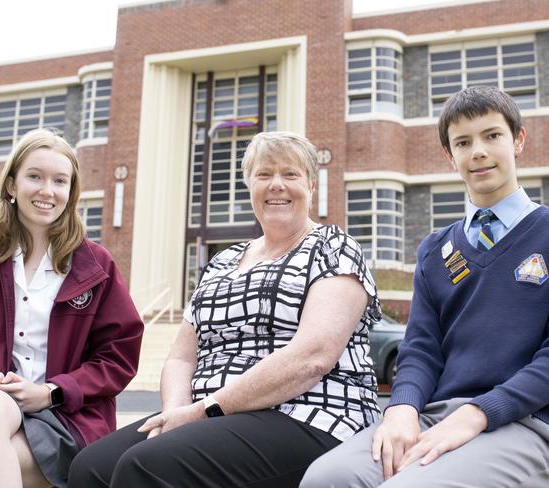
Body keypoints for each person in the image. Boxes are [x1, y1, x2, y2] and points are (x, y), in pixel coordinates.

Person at [67, 131, 382, 487]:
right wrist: (174, 414)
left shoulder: (334, 246)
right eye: (264, 175)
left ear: (310, 183)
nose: (276, 184)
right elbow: (181, 358)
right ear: (250, 185)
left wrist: (206, 409)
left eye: (290, 174)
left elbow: (313, 356)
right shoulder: (223, 261)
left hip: (310, 415)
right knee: (90, 467)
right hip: (208, 418)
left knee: (148, 466)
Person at [301, 85, 549, 488]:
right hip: (437, 414)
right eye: (463, 142)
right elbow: (420, 348)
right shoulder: (436, 250)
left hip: (527, 420)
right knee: (327, 478)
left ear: (518, 140)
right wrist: (401, 408)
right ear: (451, 157)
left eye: (492, 136)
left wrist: (480, 412)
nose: (479, 151)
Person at [0, 128, 144, 488]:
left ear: (70, 192)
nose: (47, 190)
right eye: (35, 177)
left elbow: (118, 356)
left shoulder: (96, 265)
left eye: (60, 181)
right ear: (11, 185)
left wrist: (52, 391)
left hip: (65, 417)